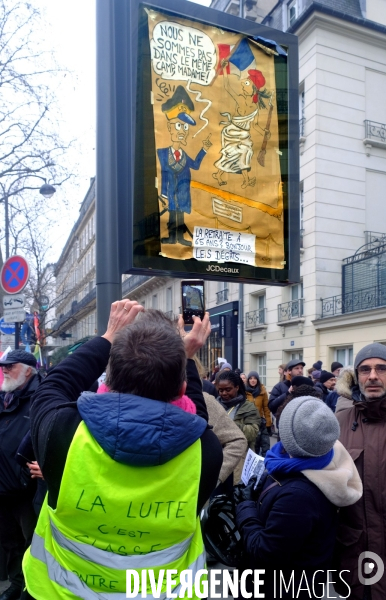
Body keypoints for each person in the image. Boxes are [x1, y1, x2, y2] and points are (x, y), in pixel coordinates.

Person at [22, 301, 222, 599]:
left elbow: (55, 385)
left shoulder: (63, 433)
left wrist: (109, 336)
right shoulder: (205, 451)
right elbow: (197, 422)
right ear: (181, 390)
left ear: (108, 377)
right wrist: (185, 359)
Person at [236, 396, 362, 599]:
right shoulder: (322, 463)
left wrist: (246, 506)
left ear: (288, 438)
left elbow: (265, 551)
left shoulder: (298, 496)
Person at [334, 343, 386, 600]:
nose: (373, 376)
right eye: (365, 369)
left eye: (381, 368)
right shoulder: (340, 423)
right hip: (354, 552)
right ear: (356, 377)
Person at [0, 350, 42, 600]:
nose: (4, 370)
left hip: (27, 489)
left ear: (28, 370)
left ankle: (31, 587)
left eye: (10, 366)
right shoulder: (3, 396)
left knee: (32, 542)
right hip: (2, 487)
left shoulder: (40, 398)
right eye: (3, 366)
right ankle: (16, 583)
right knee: (9, 542)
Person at [157, 86, 212, 246]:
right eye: (179, 125)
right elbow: (163, 174)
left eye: (185, 127)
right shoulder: (162, 153)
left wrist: (204, 150)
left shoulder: (185, 156)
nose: (182, 131)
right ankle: (172, 237)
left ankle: (179, 237)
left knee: (179, 215)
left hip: (182, 194)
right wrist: (163, 195)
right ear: (169, 128)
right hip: (171, 195)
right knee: (172, 215)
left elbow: (195, 165)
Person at [213, 60, 270, 189]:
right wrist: (224, 69)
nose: (243, 85)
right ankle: (237, 177)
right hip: (232, 132)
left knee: (246, 153)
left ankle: (236, 177)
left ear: (254, 88)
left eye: (246, 83)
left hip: (244, 134)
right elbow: (227, 87)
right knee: (231, 154)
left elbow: (254, 125)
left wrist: (264, 132)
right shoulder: (240, 98)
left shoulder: (255, 107)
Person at [216, 370, 261, 453]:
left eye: (228, 389)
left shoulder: (249, 407)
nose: (224, 393)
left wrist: (229, 424)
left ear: (237, 387)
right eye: (221, 390)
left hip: (239, 456)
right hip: (217, 454)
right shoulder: (214, 405)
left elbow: (253, 433)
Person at [245, 371, 271, 456]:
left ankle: (266, 465)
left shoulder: (262, 391)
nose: (253, 380)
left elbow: (266, 408)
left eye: (255, 378)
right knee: (253, 447)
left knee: (265, 446)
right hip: (249, 423)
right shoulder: (244, 392)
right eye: (251, 378)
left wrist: (268, 423)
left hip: (261, 422)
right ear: (248, 380)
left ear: (257, 380)